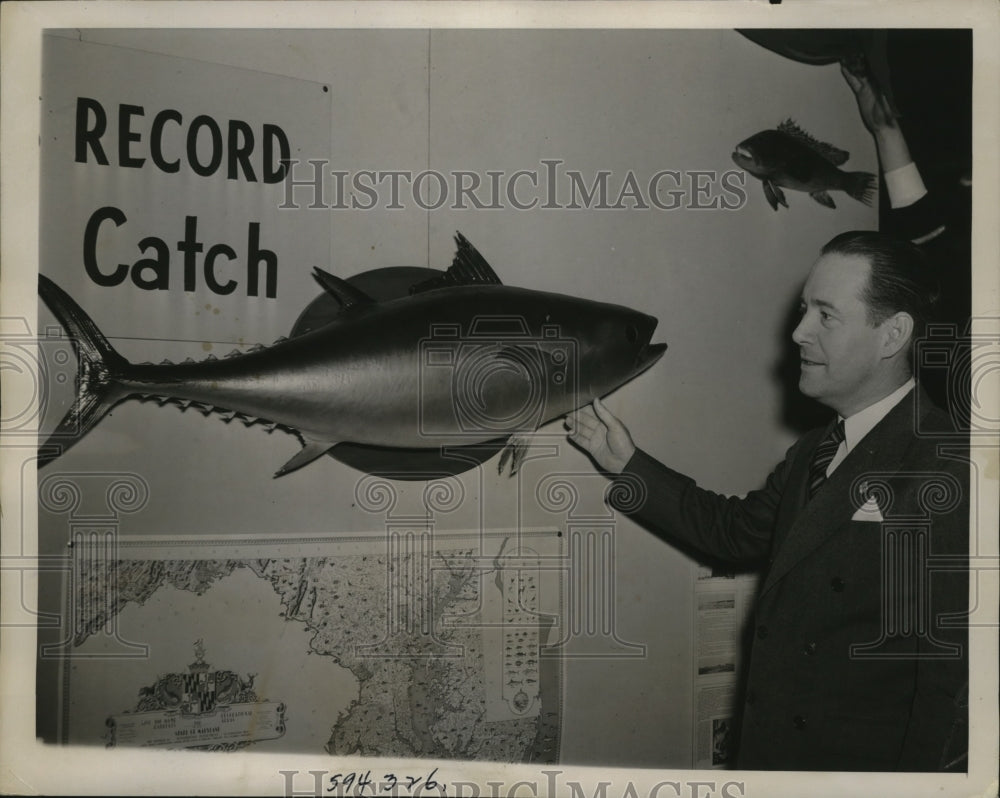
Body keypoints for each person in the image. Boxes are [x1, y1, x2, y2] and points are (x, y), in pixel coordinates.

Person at [565, 231, 969, 771]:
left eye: (826, 316)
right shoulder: (814, 451)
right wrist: (626, 464)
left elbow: (954, 691)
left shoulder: (948, 468)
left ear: (892, 334)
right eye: (804, 309)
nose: (798, 332)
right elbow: (735, 532)